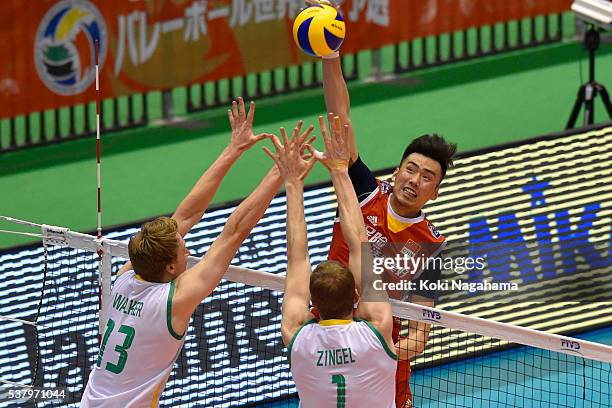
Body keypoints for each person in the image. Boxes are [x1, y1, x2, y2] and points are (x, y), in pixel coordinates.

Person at [81, 98, 313, 407]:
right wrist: (281, 173)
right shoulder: (172, 302)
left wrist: (234, 149)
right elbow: (234, 231)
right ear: (171, 268)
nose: (185, 244)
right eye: (181, 247)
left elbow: (187, 215)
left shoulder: (125, 278)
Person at [306, 2, 457, 406]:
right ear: (398, 171)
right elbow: (340, 116)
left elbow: (420, 335)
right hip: (326, 338)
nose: (415, 180)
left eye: (428, 177)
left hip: (384, 365)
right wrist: (331, 54)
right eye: (411, 169)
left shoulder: (432, 246)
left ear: (435, 192)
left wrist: (382, 353)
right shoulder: (365, 192)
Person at [265, 115, 397, 407]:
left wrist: (293, 183)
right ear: (355, 296)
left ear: (312, 302)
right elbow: (359, 243)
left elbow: (297, 258)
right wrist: (340, 170)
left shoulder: (297, 337)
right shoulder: (377, 328)